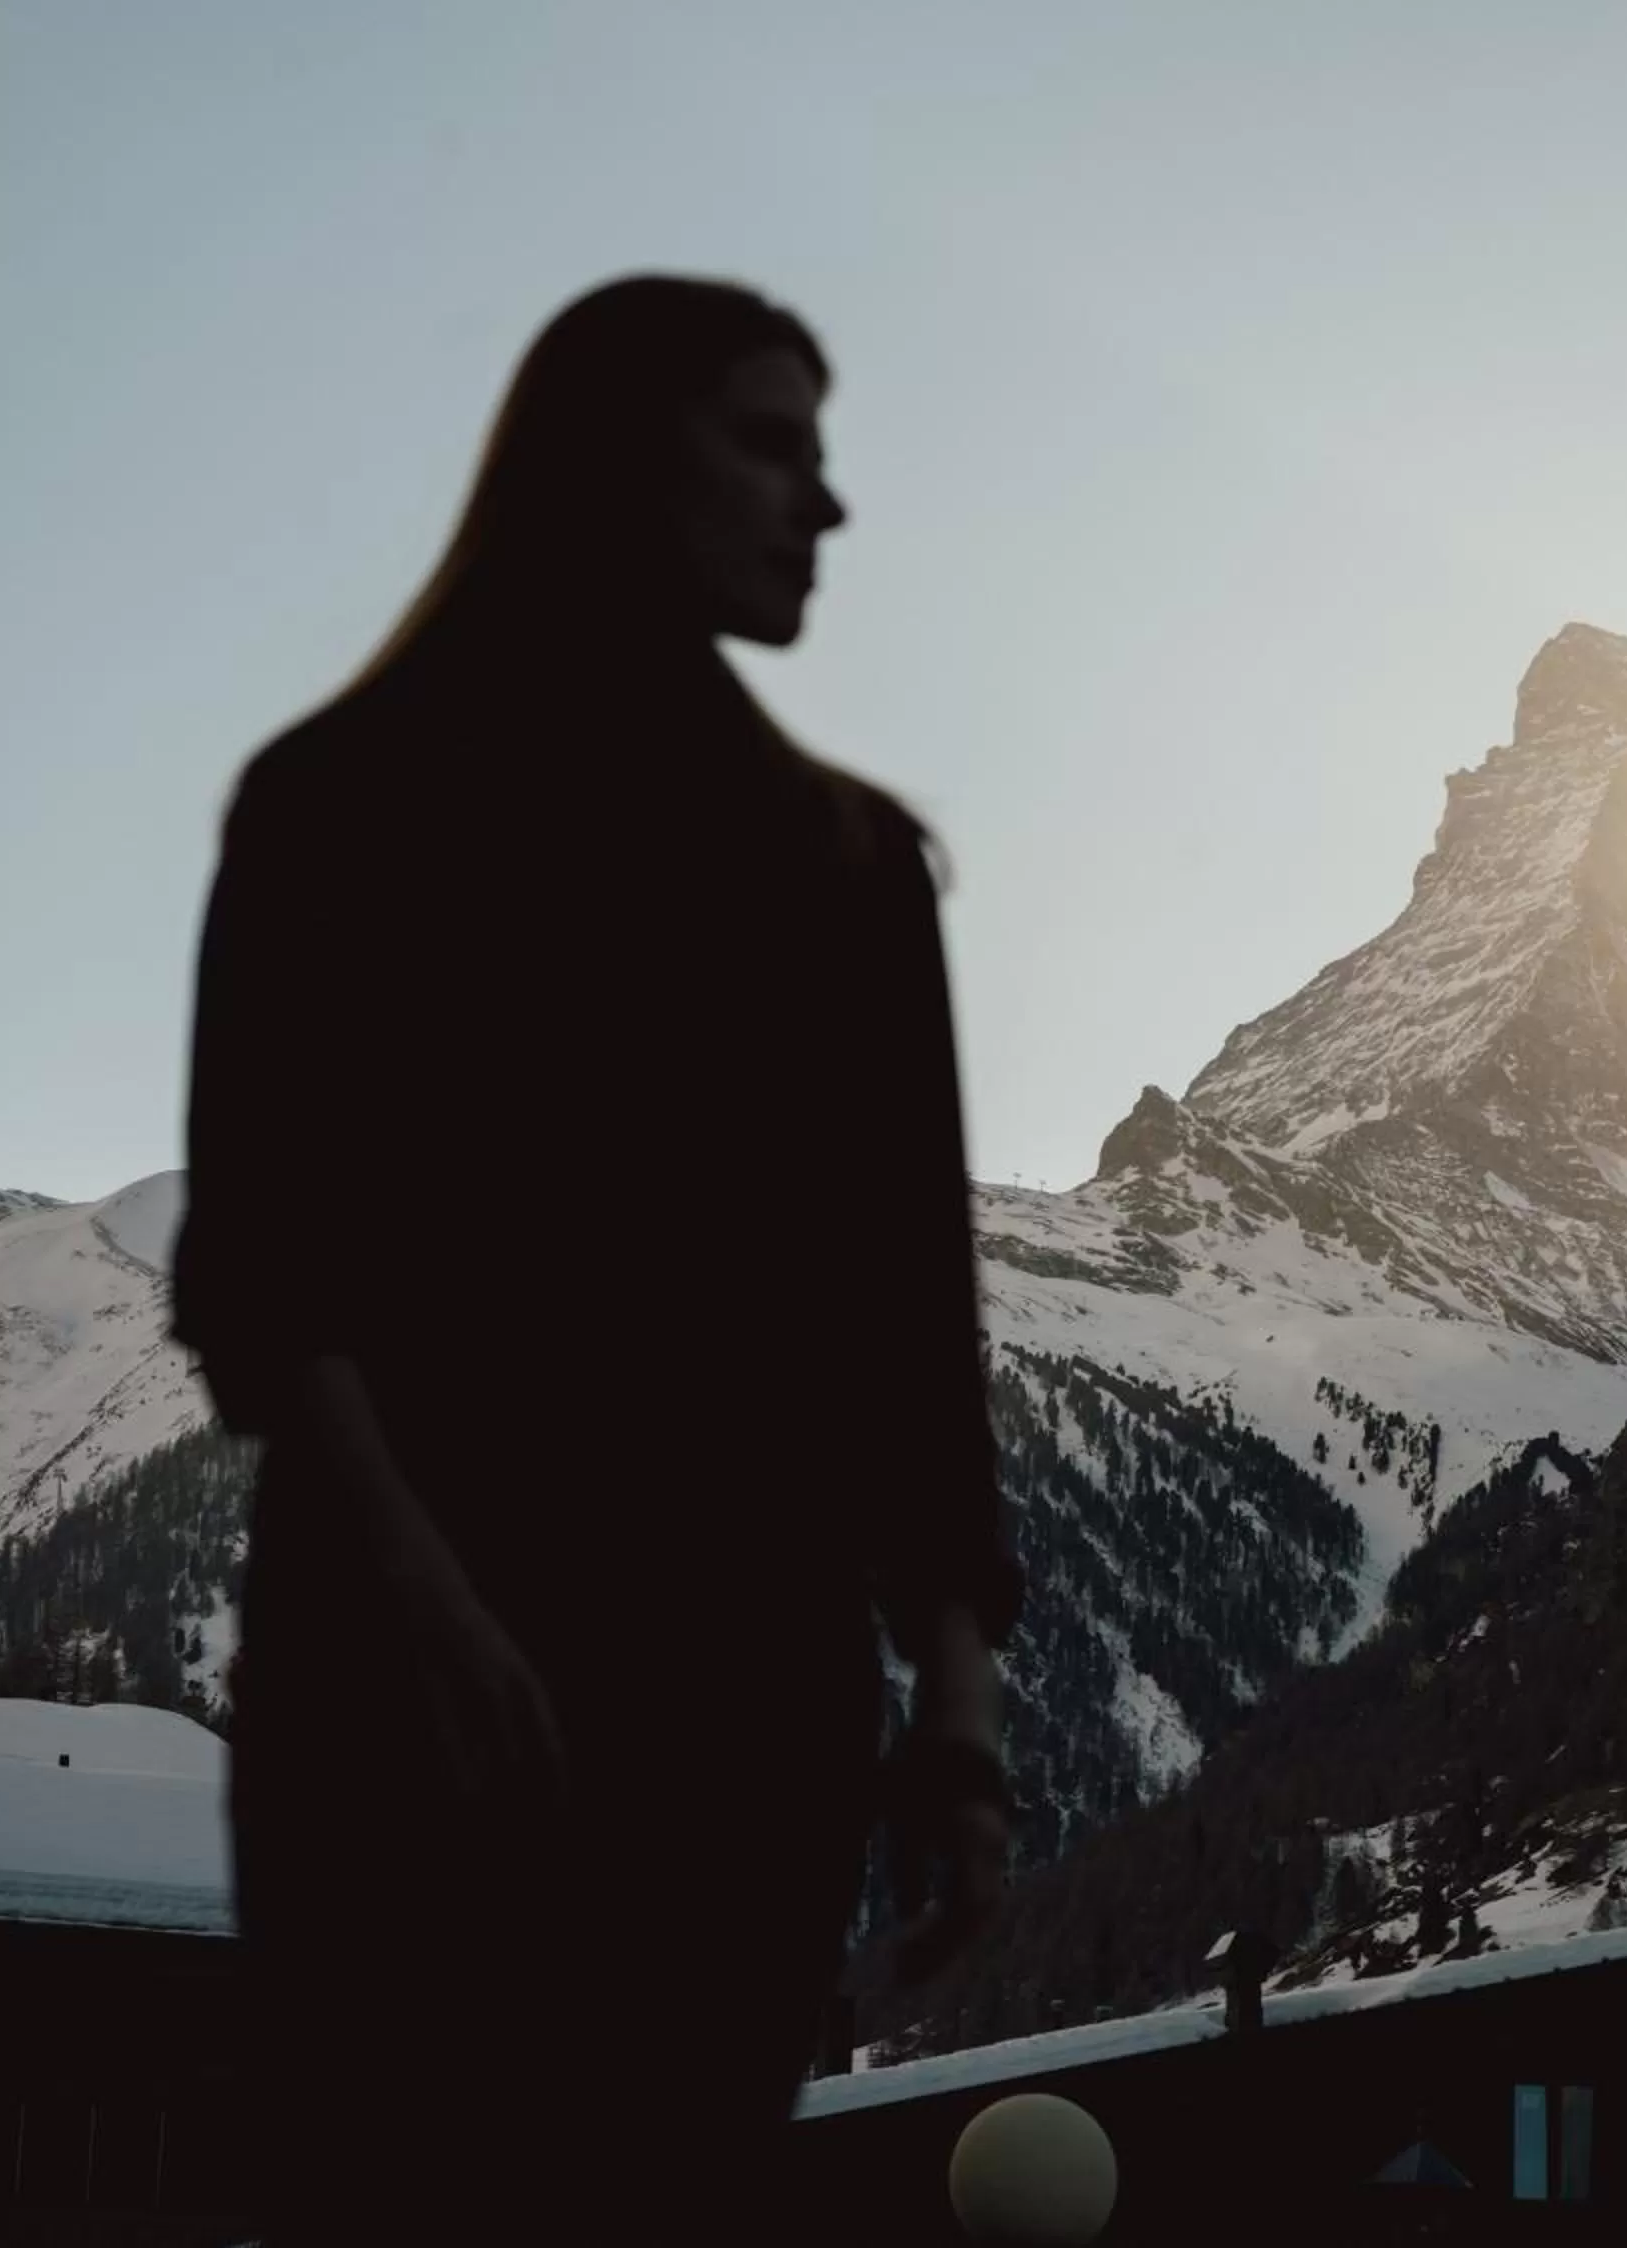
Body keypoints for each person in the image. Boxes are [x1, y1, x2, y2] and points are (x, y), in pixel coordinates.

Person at [169, 274, 1021, 2242]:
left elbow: (911, 1327)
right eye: (769, 442)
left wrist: (958, 1728)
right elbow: (270, 1268)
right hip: (413, 1707)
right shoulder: (342, 807)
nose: (827, 507)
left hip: (731, 1726)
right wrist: (428, 1610)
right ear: (609, 456)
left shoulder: (853, 868)